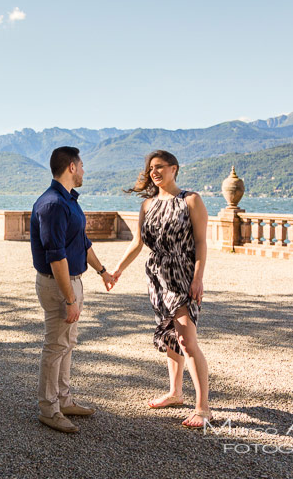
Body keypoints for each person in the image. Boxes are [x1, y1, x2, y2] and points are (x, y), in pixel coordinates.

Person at [112, 150, 212, 428]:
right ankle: (175, 393)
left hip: (182, 275)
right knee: (170, 336)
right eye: (150, 168)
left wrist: (198, 277)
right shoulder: (148, 205)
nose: (154, 172)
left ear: (174, 169)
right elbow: (137, 243)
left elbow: (202, 243)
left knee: (187, 340)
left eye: (159, 167)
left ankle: (203, 408)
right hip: (157, 278)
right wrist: (116, 270)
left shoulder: (191, 200)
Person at [30, 146, 116, 433]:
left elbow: (83, 243)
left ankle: (64, 400)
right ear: (71, 167)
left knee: (67, 345)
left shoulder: (69, 201)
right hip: (59, 285)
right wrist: (69, 299)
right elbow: (55, 256)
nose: (83, 170)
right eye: (81, 165)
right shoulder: (53, 204)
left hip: (72, 282)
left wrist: (103, 271)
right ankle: (49, 409)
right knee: (55, 347)